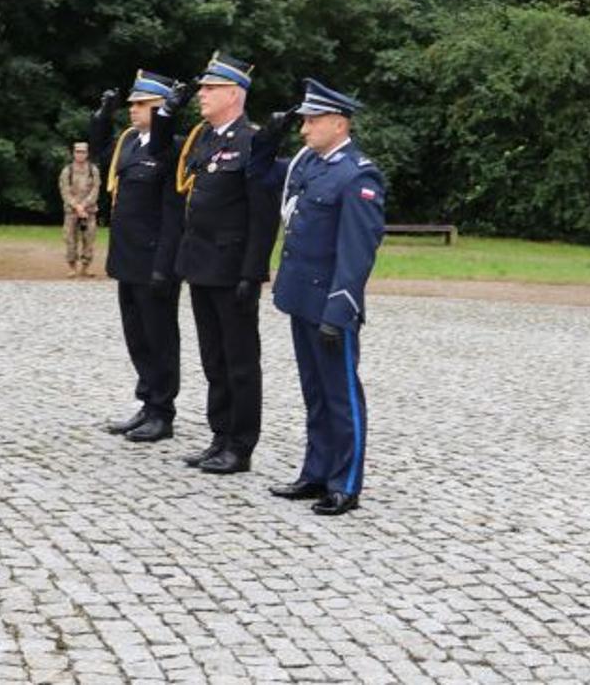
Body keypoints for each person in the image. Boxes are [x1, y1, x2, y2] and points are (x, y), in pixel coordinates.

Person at [259, 80, 386, 517]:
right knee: (314, 391)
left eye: (312, 121)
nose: (304, 129)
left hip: (331, 304)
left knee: (341, 394)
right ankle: (316, 471)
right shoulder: (311, 165)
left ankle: (344, 483)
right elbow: (261, 175)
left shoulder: (358, 175)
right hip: (302, 297)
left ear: (338, 122)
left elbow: (357, 252)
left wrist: (341, 308)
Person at [169, 52, 283, 474]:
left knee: (239, 360)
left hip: (232, 267)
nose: (201, 94)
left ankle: (241, 443)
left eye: (210, 88)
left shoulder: (253, 142)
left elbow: (263, 213)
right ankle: (219, 435)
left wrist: (253, 272)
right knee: (212, 358)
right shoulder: (208, 138)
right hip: (201, 264)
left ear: (233, 94)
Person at [88, 71, 186, 442]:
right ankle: (147, 402)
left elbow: (174, 214)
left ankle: (163, 410)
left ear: (160, 107)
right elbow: (100, 152)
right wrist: (102, 115)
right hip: (127, 258)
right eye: (131, 104)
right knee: (138, 336)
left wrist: (166, 264)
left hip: (154, 261)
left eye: (140, 104)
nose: (133, 110)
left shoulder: (171, 147)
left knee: (161, 337)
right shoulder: (129, 142)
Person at [59, 141, 101, 278]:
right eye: (77, 152)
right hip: (71, 212)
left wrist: (84, 206)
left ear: (87, 153)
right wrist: (76, 206)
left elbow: (95, 189)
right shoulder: (67, 171)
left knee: (88, 240)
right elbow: (64, 191)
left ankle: (85, 268)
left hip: (89, 212)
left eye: (83, 152)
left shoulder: (93, 170)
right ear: (73, 153)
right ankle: (72, 268)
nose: (80, 154)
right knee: (70, 240)